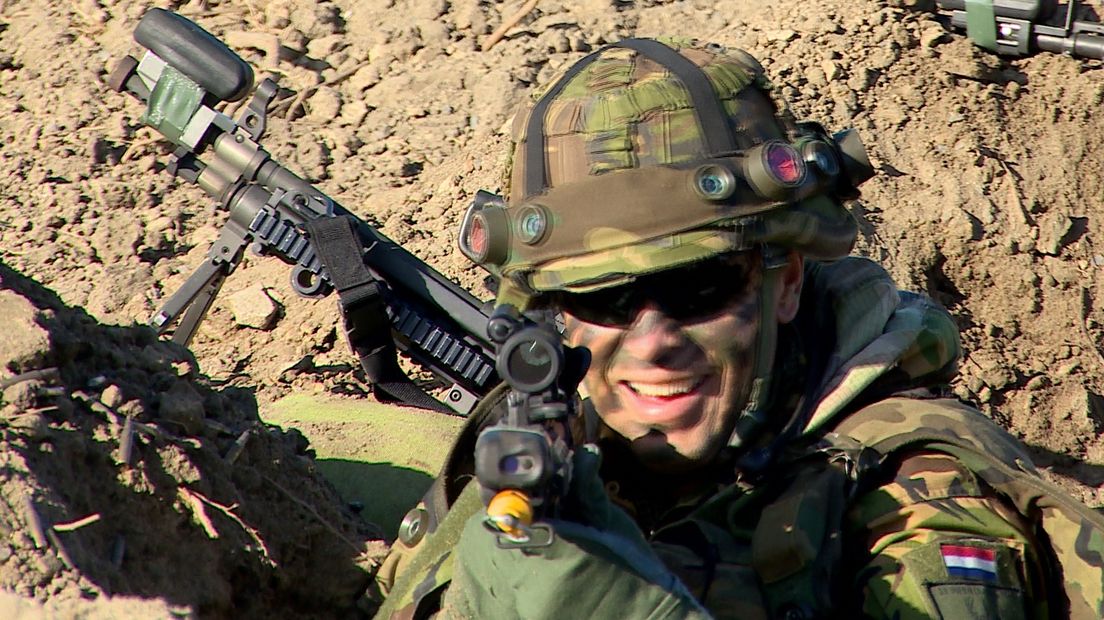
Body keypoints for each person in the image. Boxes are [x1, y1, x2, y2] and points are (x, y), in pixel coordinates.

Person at [371, 37, 1104, 619]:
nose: (653, 343)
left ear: (785, 282)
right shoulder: (536, 450)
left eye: (699, 287)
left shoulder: (915, 498)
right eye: (604, 298)